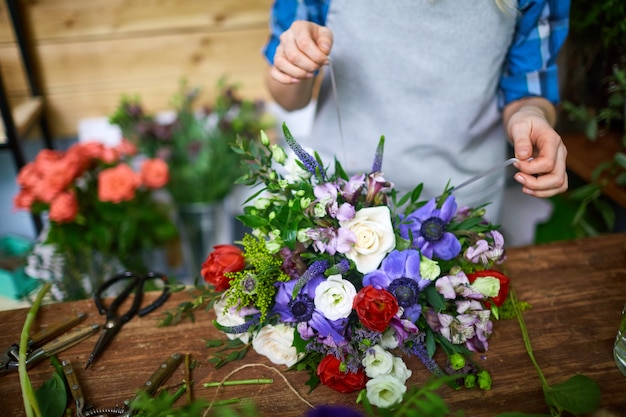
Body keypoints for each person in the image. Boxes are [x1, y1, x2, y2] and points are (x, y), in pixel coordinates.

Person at [262, 0, 570, 222]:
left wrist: (531, 117)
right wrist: (292, 64)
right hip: (338, 205)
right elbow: (288, 99)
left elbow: (529, 91)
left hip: (461, 213)